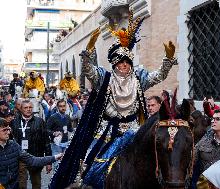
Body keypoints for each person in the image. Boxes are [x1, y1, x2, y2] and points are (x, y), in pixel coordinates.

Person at [51, 12, 178, 189]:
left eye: (127, 61)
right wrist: (87, 55)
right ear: (115, 63)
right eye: (120, 61)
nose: (124, 65)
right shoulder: (105, 78)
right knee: (90, 165)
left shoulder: (139, 78)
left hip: (134, 130)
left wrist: (168, 61)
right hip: (106, 131)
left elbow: (158, 76)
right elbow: (90, 72)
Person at [0, 118, 63, 189]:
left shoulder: (13, 145)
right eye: (4, 130)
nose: (8, 132)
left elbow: (32, 160)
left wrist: (54, 157)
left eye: (8, 129)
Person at [10, 100, 52, 189]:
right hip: (20, 157)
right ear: (21, 109)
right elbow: (11, 141)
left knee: (36, 183)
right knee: (21, 184)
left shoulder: (40, 121)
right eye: (26, 108)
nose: (28, 109)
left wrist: (48, 161)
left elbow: (46, 141)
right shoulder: (14, 122)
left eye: (30, 107)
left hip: (36, 156)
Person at [193, 108, 220, 187]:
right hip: (204, 186)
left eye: (217, 119)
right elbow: (191, 162)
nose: (212, 121)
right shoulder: (203, 142)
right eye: (212, 118)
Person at [46, 99, 73, 170]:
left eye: (64, 106)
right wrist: (54, 133)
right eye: (60, 106)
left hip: (66, 143)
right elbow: (46, 130)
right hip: (56, 144)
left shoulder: (67, 117)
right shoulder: (53, 117)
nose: (63, 108)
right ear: (57, 107)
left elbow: (70, 129)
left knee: (65, 165)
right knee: (57, 165)